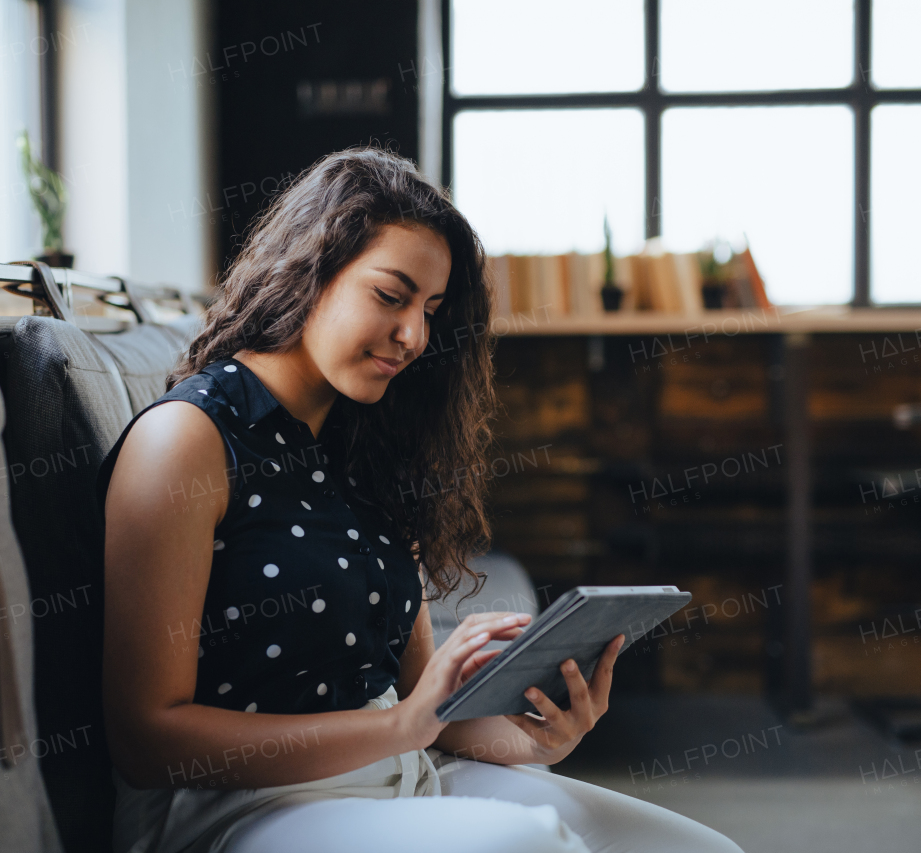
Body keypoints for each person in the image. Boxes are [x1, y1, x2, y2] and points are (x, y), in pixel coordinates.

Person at [96, 147, 743, 853]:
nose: (414, 336)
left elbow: (422, 704)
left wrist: (537, 737)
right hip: (245, 809)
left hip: (405, 773)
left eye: (430, 309)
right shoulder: (186, 441)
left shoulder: (365, 443)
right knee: (531, 844)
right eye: (390, 295)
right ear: (308, 270)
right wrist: (400, 727)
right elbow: (145, 738)